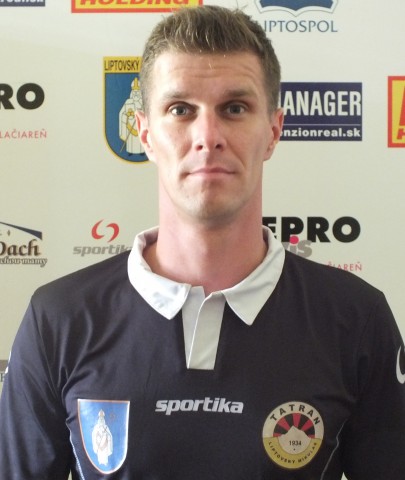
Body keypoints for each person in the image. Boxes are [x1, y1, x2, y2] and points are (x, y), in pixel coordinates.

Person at [0, 5, 404, 479]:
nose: (207, 136)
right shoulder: (59, 318)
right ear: (145, 133)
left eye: (235, 108)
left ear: (274, 131)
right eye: (180, 110)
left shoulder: (355, 318)